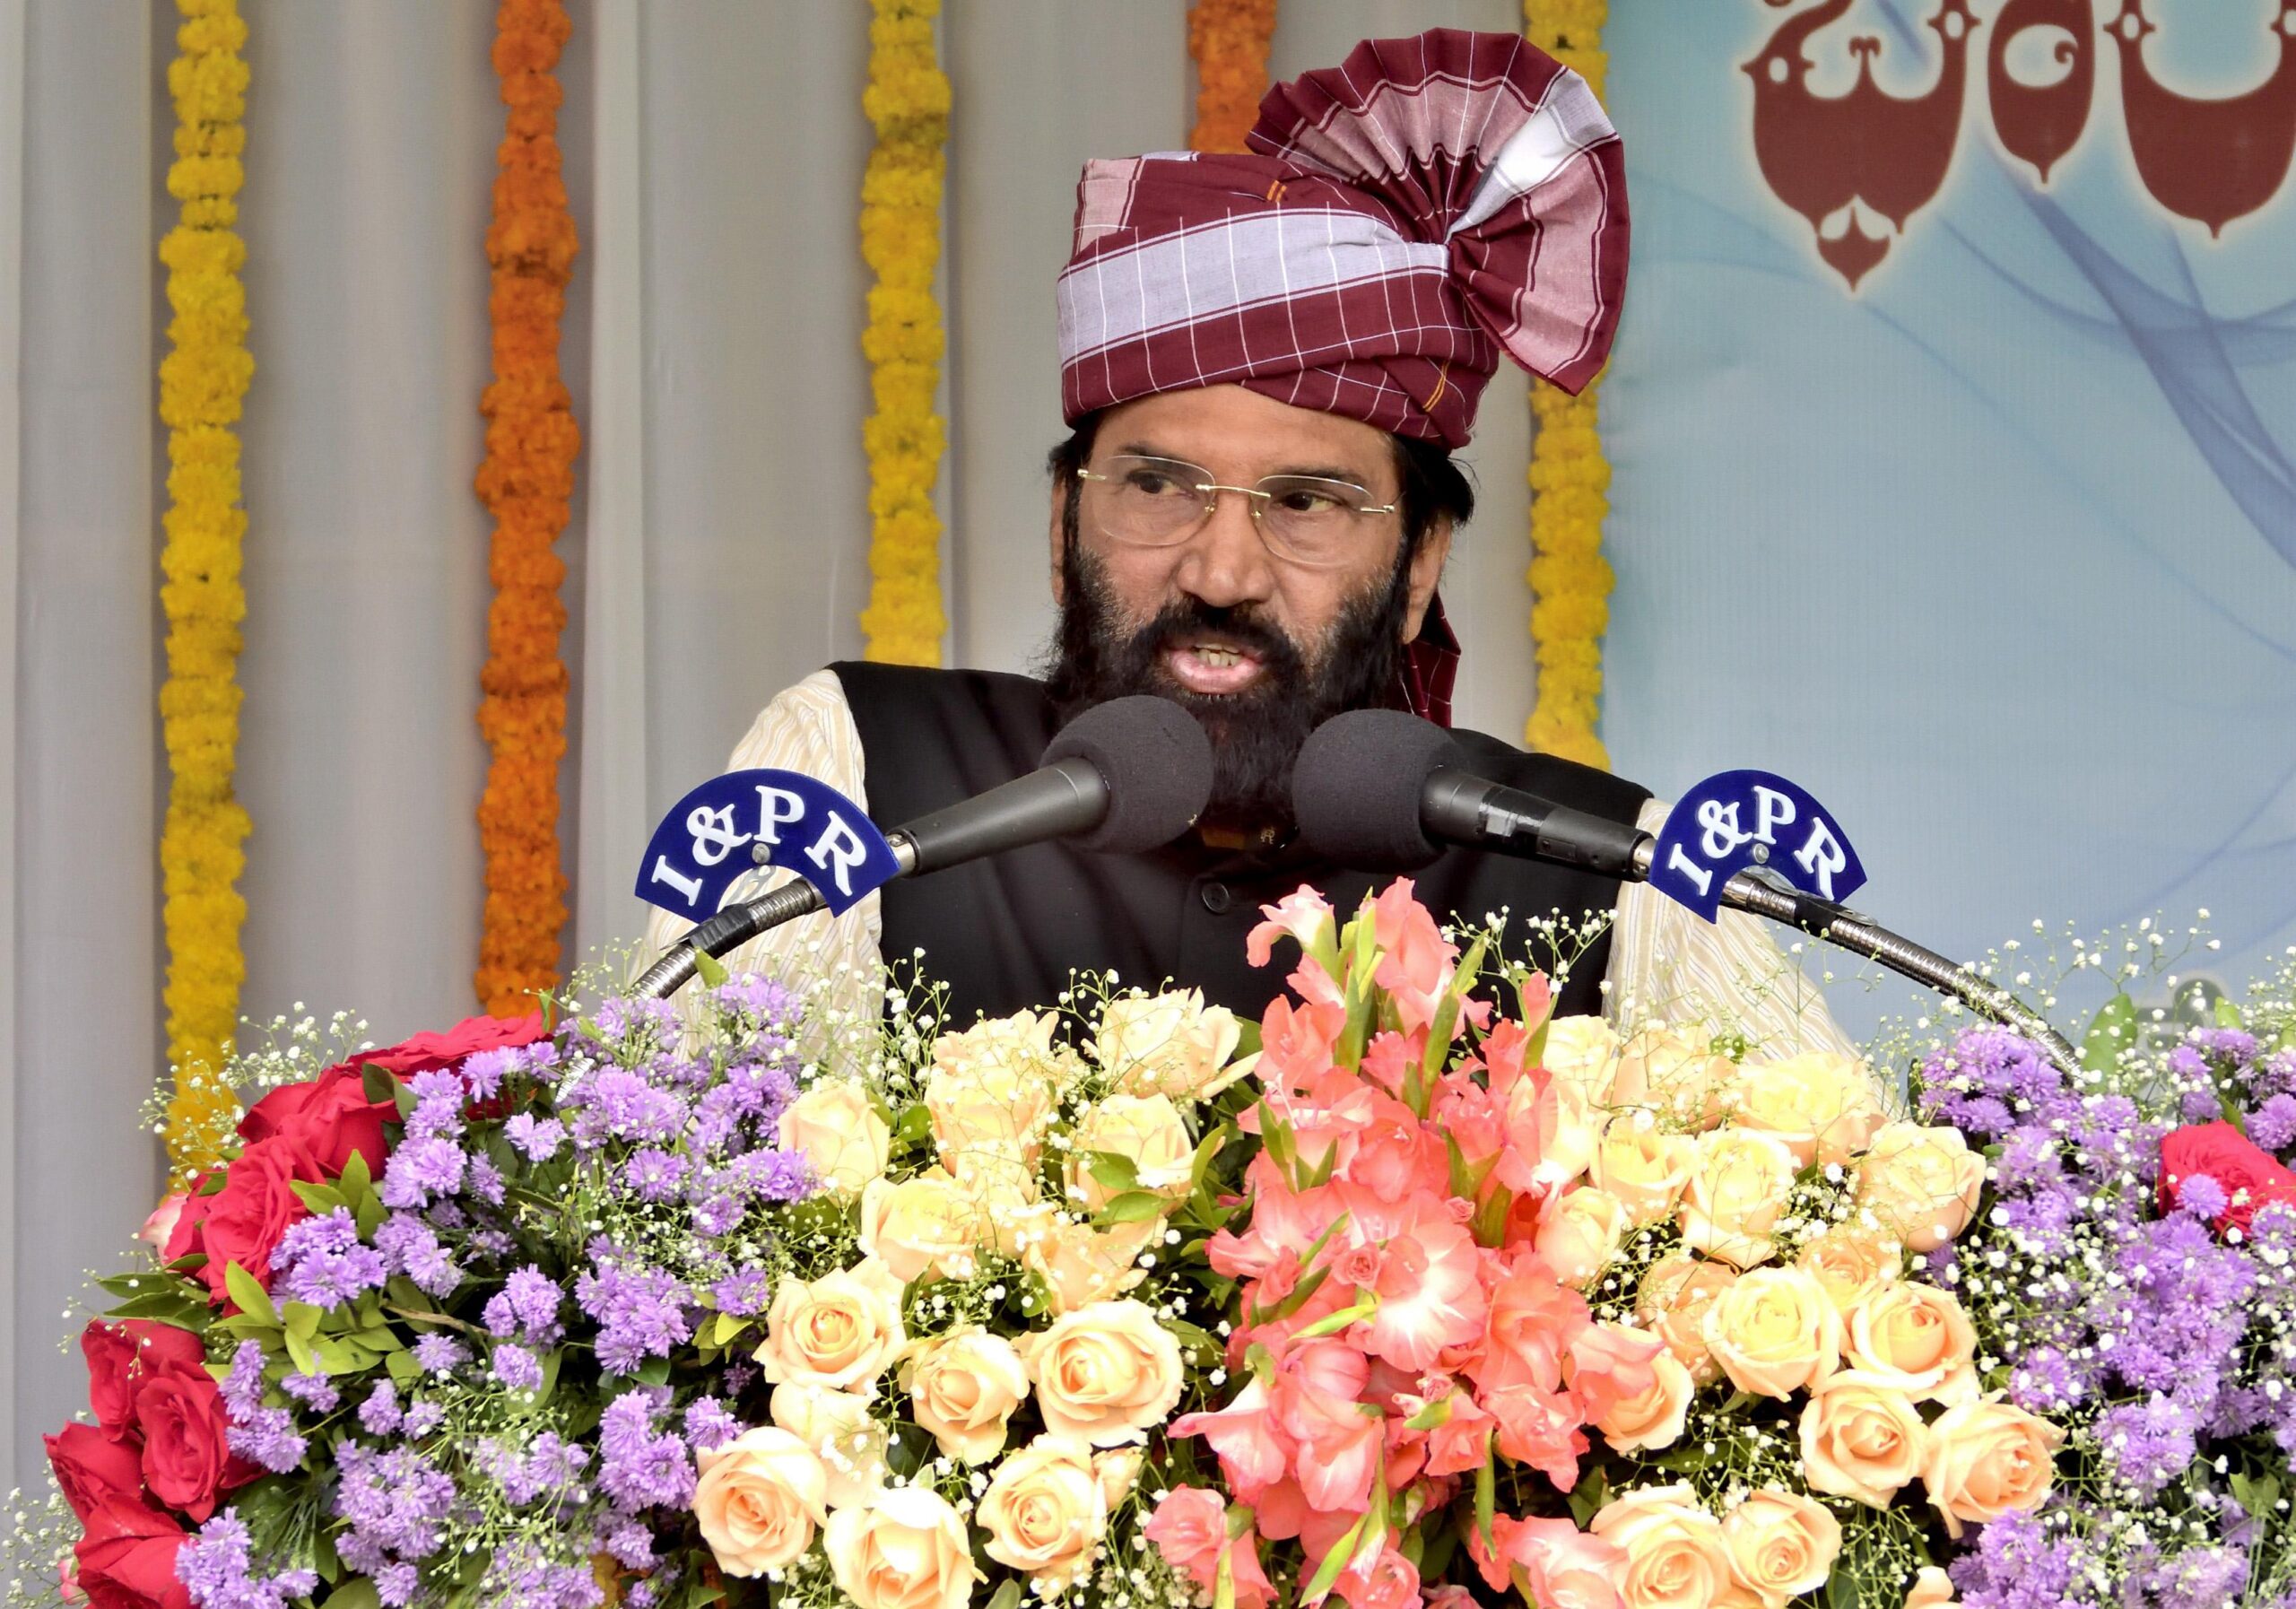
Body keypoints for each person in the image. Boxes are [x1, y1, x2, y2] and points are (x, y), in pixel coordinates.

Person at [647, 29, 1851, 1057]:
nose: (1221, 574)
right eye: (1158, 485)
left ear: (1422, 561)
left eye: (1307, 503)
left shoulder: (1612, 878)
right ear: (1063, 522)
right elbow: (674, 1188)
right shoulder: (863, 776)